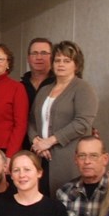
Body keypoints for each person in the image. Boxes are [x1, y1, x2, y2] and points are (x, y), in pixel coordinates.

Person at [29, 40, 99, 195]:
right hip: (41, 157)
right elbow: (32, 121)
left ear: (77, 65)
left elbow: (82, 122)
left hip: (67, 157)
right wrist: (37, 141)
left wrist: (50, 141)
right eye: (57, 60)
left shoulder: (83, 89)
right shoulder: (44, 90)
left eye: (67, 61)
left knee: (64, 200)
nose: (61, 64)